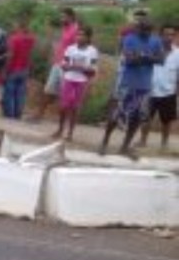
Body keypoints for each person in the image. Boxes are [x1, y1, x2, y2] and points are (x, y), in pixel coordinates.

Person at [99, 18, 164, 158]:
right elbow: (130, 60)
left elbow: (161, 60)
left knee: (138, 118)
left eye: (149, 30)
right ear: (138, 29)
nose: (146, 33)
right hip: (127, 84)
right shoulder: (129, 39)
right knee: (116, 115)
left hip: (145, 86)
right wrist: (149, 57)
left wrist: (142, 56)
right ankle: (104, 142)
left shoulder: (156, 40)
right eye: (143, 30)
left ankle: (125, 146)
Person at [29, 8, 79, 122]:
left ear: (71, 17)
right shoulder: (65, 28)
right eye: (61, 17)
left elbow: (77, 50)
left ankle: (66, 120)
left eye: (64, 17)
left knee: (65, 94)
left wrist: (70, 65)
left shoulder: (76, 29)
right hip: (57, 64)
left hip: (66, 66)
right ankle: (39, 115)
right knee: (48, 90)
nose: (61, 19)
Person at [53, 26, 99, 141]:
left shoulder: (92, 51)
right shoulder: (70, 49)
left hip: (82, 81)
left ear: (88, 37)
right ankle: (60, 129)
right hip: (69, 78)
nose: (79, 37)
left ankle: (70, 133)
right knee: (63, 106)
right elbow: (64, 64)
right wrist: (69, 66)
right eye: (78, 35)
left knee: (75, 108)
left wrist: (83, 69)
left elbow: (93, 69)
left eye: (82, 35)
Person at [138, 25, 179, 151]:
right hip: (150, 89)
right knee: (146, 118)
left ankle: (164, 143)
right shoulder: (151, 51)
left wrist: (177, 92)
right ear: (160, 35)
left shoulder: (178, 54)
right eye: (166, 34)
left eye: (172, 34)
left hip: (169, 91)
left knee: (166, 120)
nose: (169, 37)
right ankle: (142, 141)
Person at [1, 17, 36, 119]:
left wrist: (4, 70)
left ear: (19, 26)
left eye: (14, 25)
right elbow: (30, 53)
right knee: (20, 94)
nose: (13, 27)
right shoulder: (31, 39)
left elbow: (10, 56)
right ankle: (18, 114)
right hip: (24, 69)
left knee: (10, 93)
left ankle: (10, 116)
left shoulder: (13, 38)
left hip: (13, 69)